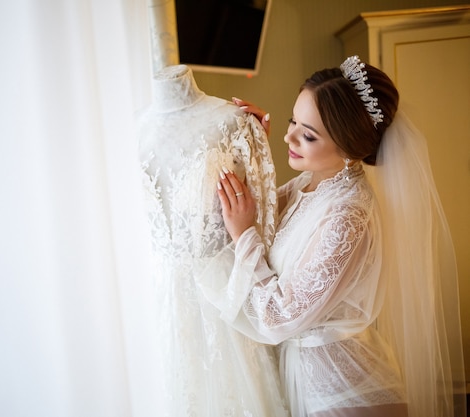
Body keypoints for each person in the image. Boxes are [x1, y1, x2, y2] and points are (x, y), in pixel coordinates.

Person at [198, 56, 466, 417]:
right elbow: (251, 214)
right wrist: (254, 150)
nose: (288, 136)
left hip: (344, 396)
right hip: (309, 382)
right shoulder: (311, 184)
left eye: (308, 135)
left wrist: (244, 234)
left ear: (350, 148)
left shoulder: (348, 215)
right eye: (294, 120)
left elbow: (279, 315)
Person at [136, 64, 288, 417]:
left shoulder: (233, 123)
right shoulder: (124, 130)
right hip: (151, 308)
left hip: (221, 312)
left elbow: (265, 228)